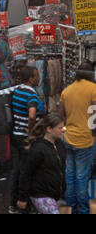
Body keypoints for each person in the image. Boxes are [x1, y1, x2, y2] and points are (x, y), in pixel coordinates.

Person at [59, 61, 96, 214]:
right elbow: (94, 114)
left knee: (70, 175)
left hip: (68, 138)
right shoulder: (93, 89)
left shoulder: (66, 91)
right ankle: (83, 210)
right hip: (85, 139)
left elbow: (61, 116)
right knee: (82, 176)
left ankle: (71, 207)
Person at [17, 113, 66, 215]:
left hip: (53, 193)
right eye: (60, 128)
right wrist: (22, 198)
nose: (63, 130)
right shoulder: (38, 149)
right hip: (40, 194)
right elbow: (25, 174)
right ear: (49, 129)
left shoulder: (59, 144)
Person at [9, 66, 39, 214]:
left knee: (16, 169)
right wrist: (31, 132)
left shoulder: (18, 90)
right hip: (24, 137)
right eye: (37, 75)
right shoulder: (32, 94)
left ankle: (12, 203)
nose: (39, 78)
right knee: (26, 171)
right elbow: (32, 115)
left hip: (14, 134)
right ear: (31, 79)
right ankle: (23, 203)